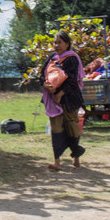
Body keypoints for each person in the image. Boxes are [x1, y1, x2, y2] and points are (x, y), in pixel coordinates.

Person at [40, 30, 86, 170]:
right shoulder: (52, 57)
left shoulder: (71, 58)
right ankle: (57, 161)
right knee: (56, 129)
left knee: (71, 126)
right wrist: (45, 85)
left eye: (60, 42)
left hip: (69, 99)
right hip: (52, 99)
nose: (57, 45)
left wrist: (59, 94)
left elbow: (72, 80)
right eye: (55, 42)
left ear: (67, 44)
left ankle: (76, 158)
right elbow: (42, 74)